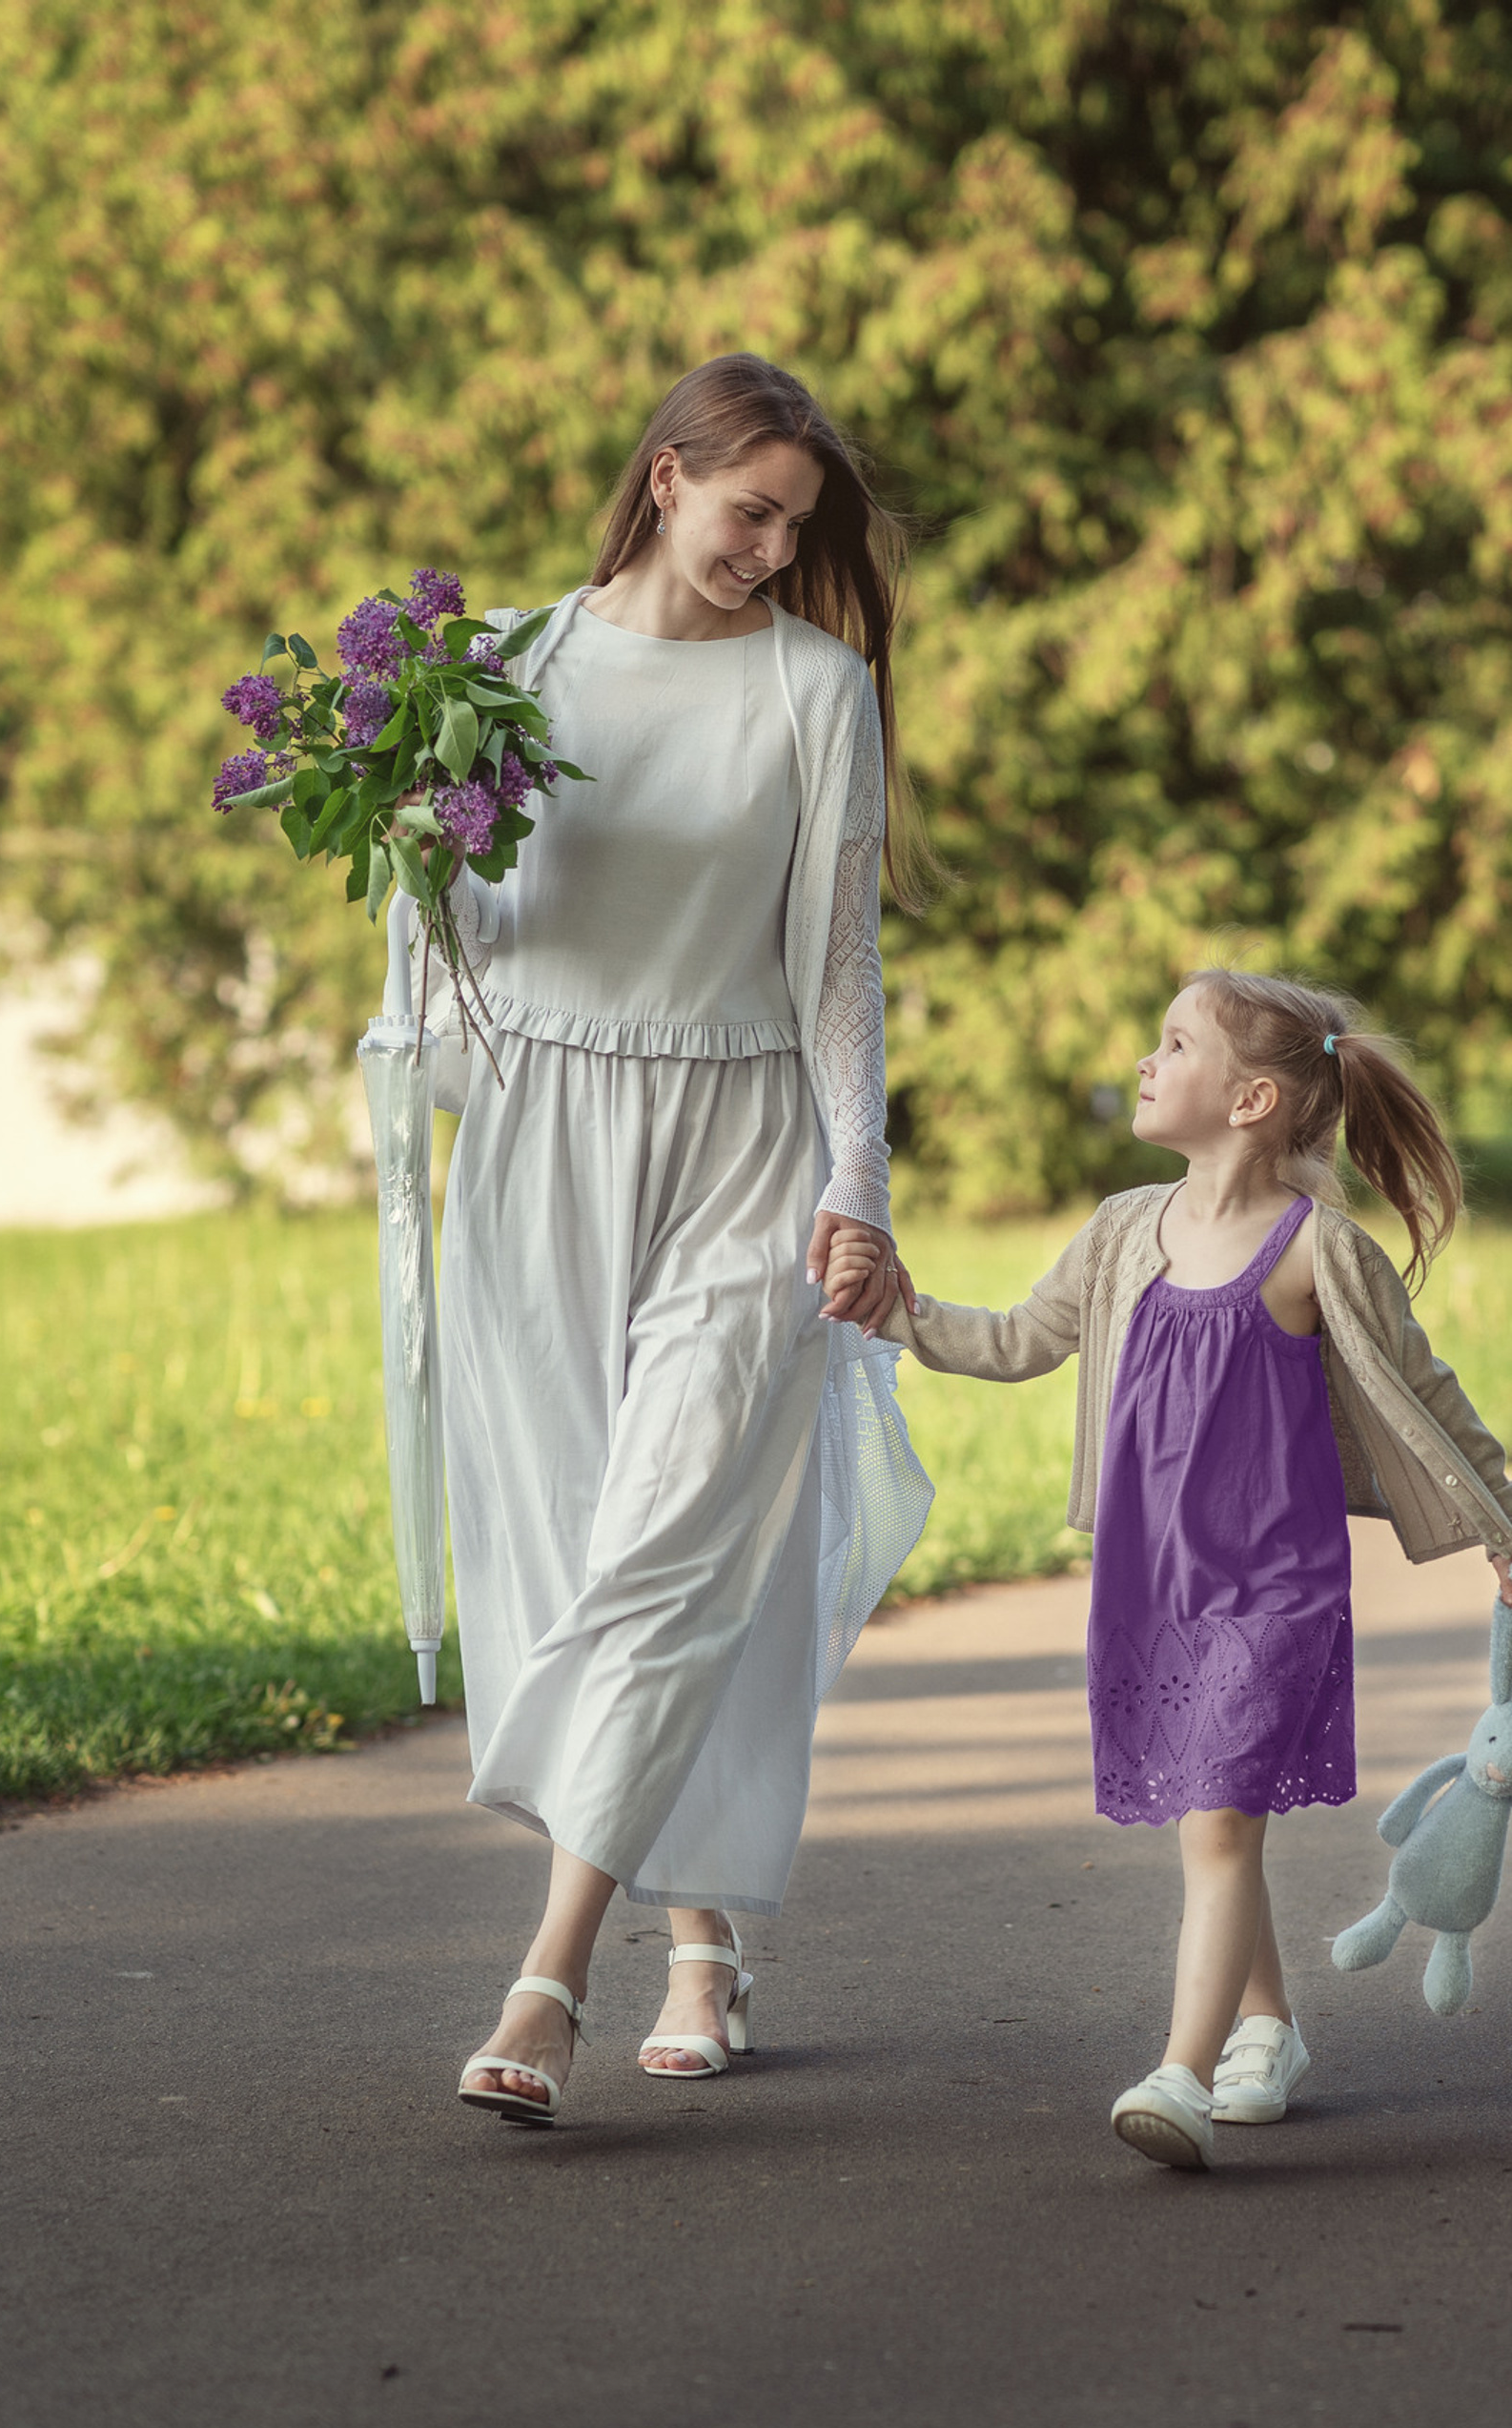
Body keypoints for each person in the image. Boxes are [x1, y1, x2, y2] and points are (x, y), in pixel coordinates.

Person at [447, 355, 934, 2128]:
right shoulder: (501, 667)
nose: (774, 548)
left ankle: (549, 1975)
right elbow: (465, 946)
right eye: (753, 512)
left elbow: (837, 971)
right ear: (667, 480)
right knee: (596, 1545)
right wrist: (416, 860)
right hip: (538, 1154)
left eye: (799, 527)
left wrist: (855, 1189)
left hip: (743, 1145)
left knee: (671, 1538)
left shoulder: (819, 690)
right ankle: (705, 1935)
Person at [826, 970, 1512, 2169]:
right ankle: (1269, 2025)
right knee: (1210, 1821)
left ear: (1253, 1096)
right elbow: (1014, 1341)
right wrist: (902, 1312)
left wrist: (1506, 1527)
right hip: (1150, 1589)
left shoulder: (1316, 1248)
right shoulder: (1121, 1232)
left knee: (1217, 1824)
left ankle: (1181, 2070)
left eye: (1173, 1043)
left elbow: (1425, 1392)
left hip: (1274, 1593)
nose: (1147, 1061)